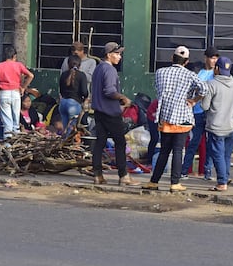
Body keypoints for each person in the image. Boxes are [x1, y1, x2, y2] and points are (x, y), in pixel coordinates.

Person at [142, 46, 207, 193]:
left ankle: (154, 181)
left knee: (164, 150)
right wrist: (194, 100)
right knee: (178, 150)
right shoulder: (190, 75)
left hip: (164, 117)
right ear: (187, 61)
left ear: (172, 58)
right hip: (182, 117)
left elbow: (158, 90)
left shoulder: (160, 72)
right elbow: (204, 89)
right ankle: (175, 182)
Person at [90, 42, 136, 186]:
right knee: (120, 143)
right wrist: (123, 98)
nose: (119, 57)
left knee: (99, 143)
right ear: (109, 55)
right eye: (117, 54)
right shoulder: (109, 70)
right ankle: (124, 176)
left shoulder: (98, 69)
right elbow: (109, 91)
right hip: (110, 112)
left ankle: (98, 175)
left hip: (98, 111)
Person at [201, 56, 233, 191]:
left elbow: (205, 106)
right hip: (231, 127)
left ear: (217, 69)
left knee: (217, 155)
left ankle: (222, 182)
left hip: (215, 127)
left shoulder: (211, 84)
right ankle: (224, 177)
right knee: (226, 155)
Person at [181, 46, 218, 179]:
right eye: (211, 58)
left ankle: (207, 172)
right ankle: (184, 170)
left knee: (210, 144)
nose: (214, 61)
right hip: (197, 112)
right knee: (193, 142)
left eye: (215, 58)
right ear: (206, 58)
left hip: (211, 113)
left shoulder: (217, 74)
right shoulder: (199, 73)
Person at [0, 47, 35, 138]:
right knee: (16, 120)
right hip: (16, 93)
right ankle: (16, 142)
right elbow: (31, 75)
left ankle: (8, 145)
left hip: (4, 93)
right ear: (14, 56)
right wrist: (23, 87)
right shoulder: (18, 65)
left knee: (7, 121)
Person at [59, 54, 89, 137]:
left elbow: (61, 91)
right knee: (71, 129)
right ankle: (68, 145)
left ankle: (63, 145)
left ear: (68, 64)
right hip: (74, 104)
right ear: (80, 65)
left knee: (65, 129)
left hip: (63, 103)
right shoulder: (81, 75)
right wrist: (85, 98)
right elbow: (84, 91)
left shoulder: (64, 74)